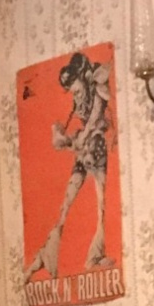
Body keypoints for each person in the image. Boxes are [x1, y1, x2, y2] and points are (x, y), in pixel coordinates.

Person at [25, 50, 114, 279]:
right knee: (66, 205)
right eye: (73, 93)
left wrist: (74, 140)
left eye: (76, 91)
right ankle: (46, 255)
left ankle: (94, 255)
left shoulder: (98, 87)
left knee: (102, 204)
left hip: (96, 147)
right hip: (88, 149)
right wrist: (62, 137)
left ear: (83, 78)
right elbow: (75, 134)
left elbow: (93, 122)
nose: (75, 97)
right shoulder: (79, 99)